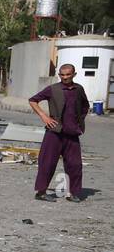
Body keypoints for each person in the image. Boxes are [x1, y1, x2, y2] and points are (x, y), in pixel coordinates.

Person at [30, 63, 89, 202]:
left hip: (72, 133)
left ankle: (73, 193)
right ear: (59, 75)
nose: (65, 77)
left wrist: (79, 121)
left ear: (74, 74)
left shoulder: (79, 89)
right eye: (62, 75)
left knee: (75, 164)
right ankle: (41, 192)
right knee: (47, 163)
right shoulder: (53, 89)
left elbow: (85, 106)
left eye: (68, 75)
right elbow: (33, 100)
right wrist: (45, 117)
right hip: (54, 132)